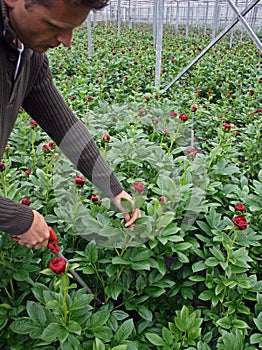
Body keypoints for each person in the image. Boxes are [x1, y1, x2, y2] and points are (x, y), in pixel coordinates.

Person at [0, 0, 140, 249]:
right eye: (55, 25)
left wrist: (115, 191)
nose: (67, 40)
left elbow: (66, 129)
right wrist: (18, 218)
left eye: (74, 28)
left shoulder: (29, 55)